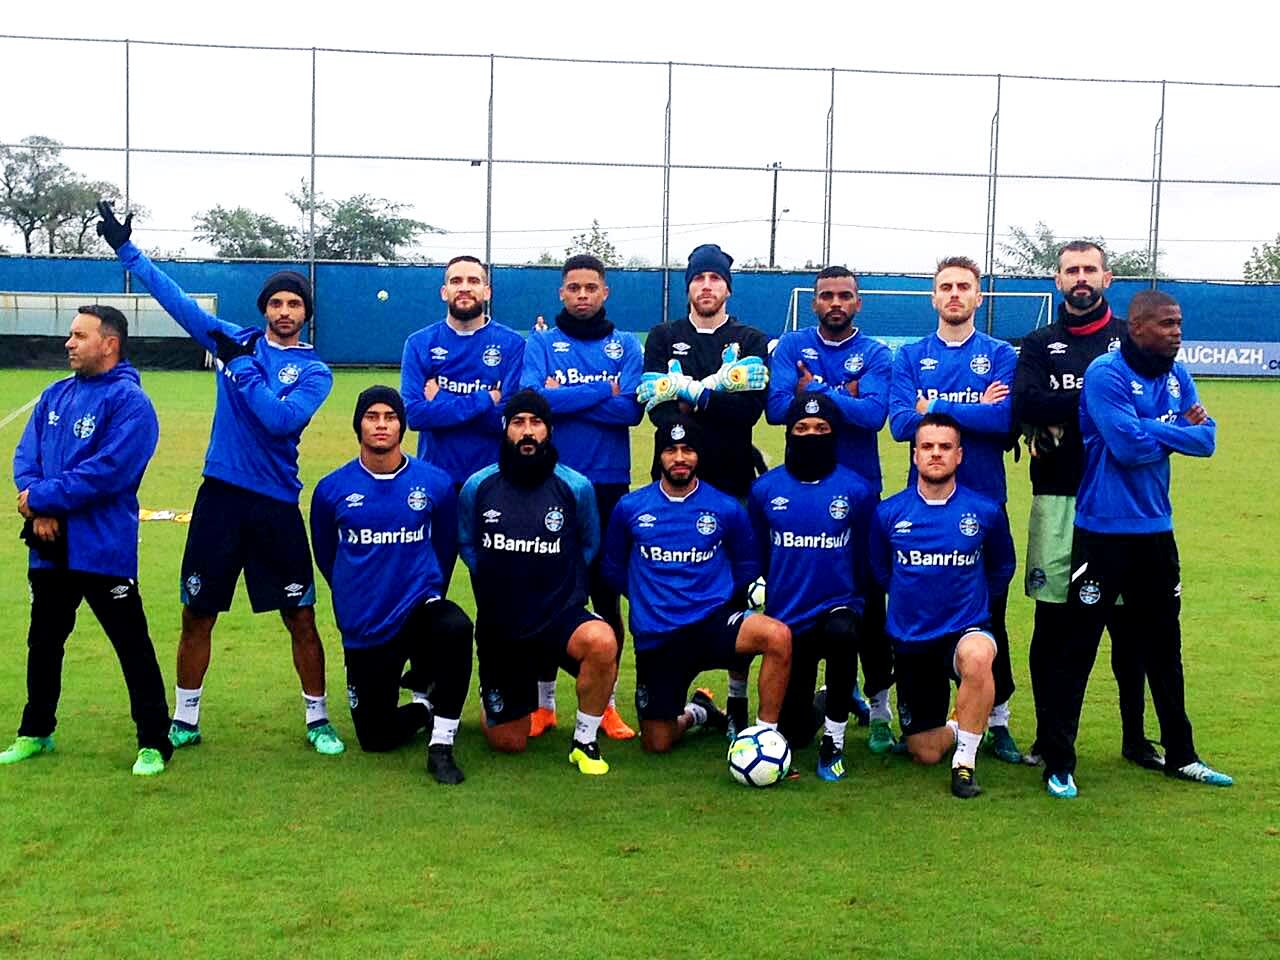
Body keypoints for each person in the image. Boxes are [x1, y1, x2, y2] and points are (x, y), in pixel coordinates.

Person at [96, 201, 344, 755]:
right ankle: (185, 718)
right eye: (276, 303)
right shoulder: (233, 337)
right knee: (197, 611)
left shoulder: (313, 370)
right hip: (220, 498)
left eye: (294, 304)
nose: (285, 311)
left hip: (276, 503)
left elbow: (279, 420)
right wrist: (127, 251)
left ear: (306, 314)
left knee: (300, 614)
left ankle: (317, 719)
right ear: (264, 309)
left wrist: (241, 366)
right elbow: (176, 300)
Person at [1039, 291, 1232, 798]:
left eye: (1179, 323)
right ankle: (1059, 762)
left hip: (1156, 534)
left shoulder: (1177, 374)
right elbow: (1124, 449)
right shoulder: (1106, 374)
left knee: (1164, 648)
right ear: (1139, 327)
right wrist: (1171, 429)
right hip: (1102, 532)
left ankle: (1182, 756)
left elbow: (1208, 439)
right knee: (1077, 648)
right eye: (1168, 324)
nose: (1177, 332)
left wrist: (1151, 428)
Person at [4, 305, 171, 776]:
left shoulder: (130, 404)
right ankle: (36, 731)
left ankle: (154, 741)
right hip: (49, 543)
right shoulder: (54, 394)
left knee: (131, 644)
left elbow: (109, 473)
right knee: (44, 641)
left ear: (109, 343)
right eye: (69, 335)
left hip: (103, 546)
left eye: (79, 335)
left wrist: (44, 499)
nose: (69, 343)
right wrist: (38, 505)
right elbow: (26, 455)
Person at [1012, 241, 1157, 770]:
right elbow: (1025, 403)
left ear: (1107, 278)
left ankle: (1137, 738)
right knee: (1052, 625)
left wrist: (1067, 410)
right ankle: (1049, 739)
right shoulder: (1038, 343)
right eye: (1070, 269)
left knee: (1129, 627)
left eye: (1089, 269)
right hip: (1056, 497)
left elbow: (1150, 408)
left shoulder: (1132, 341)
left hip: (1121, 504)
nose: (1080, 278)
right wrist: (1103, 402)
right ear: (1056, 280)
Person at [888, 256, 1021, 764]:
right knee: (917, 606)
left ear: (978, 297)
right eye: (945, 287)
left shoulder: (999, 353)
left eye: (964, 286)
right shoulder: (911, 355)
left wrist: (934, 407)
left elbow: (1004, 418)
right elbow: (901, 422)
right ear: (933, 297)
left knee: (993, 615)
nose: (954, 295)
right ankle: (934, 715)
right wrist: (971, 409)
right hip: (923, 509)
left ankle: (999, 722)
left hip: (985, 503)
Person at [310, 387, 473, 784]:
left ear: (402, 424)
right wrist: (356, 592)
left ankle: (442, 745)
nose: (381, 424)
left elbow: (446, 546)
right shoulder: (332, 490)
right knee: (375, 737)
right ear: (358, 425)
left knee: (455, 626)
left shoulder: (434, 483)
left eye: (390, 416)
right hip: (367, 623)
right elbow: (328, 556)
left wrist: (431, 591)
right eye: (372, 416)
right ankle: (425, 709)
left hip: (418, 610)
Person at [639, 243, 771, 735]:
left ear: (727, 288)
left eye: (716, 279)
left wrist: (689, 392)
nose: (707, 287)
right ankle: (684, 691)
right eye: (699, 279)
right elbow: (655, 408)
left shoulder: (750, 337)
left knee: (739, 589)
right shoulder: (663, 336)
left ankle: (736, 701)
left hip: (734, 484)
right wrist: (715, 390)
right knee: (673, 577)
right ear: (689, 286)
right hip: (672, 485)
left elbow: (748, 410)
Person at [602, 416, 792, 755]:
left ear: (698, 456)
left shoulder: (725, 508)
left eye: (687, 450)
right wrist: (648, 597)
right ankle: (698, 712)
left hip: (712, 623)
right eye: (671, 450)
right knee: (657, 743)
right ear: (659, 456)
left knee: (777, 635)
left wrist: (717, 596)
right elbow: (613, 569)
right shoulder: (630, 508)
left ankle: (766, 737)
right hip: (658, 636)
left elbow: (747, 564)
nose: (679, 458)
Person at [767, 265, 896, 752]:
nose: (835, 303)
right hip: (801, 495)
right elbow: (778, 409)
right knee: (801, 597)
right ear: (814, 302)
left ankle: (879, 707)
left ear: (858, 302)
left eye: (845, 295)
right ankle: (821, 694)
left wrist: (814, 392)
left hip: (860, 494)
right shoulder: (792, 344)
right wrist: (843, 393)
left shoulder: (876, 353)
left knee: (869, 601)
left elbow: (875, 414)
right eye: (827, 296)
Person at [457, 390, 619, 775]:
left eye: (535, 423)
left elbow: (588, 543)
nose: (527, 432)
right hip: (502, 626)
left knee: (602, 640)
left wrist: (556, 582)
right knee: (509, 743)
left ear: (549, 430)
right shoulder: (478, 486)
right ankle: (497, 694)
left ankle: (584, 740)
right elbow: (467, 543)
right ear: (505, 429)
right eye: (518, 423)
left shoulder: (575, 486)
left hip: (558, 617)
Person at [518, 254, 644, 741]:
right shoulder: (542, 342)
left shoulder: (625, 345)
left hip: (609, 484)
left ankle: (606, 706)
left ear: (605, 292)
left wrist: (566, 397)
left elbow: (630, 411)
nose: (583, 295)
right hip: (550, 483)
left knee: (605, 593)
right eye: (574, 288)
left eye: (592, 287)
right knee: (544, 593)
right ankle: (544, 704)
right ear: (561, 294)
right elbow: (535, 402)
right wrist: (600, 391)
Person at [869, 414, 1016, 799]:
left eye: (945, 447)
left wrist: (976, 603)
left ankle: (964, 763)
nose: (936, 454)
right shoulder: (888, 513)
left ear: (960, 455)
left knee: (980, 654)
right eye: (928, 447)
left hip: (963, 630)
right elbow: (881, 571)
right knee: (926, 752)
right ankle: (962, 723)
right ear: (915, 455)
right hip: (912, 638)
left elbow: (1002, 566)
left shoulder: (984, 511)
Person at [748, 393, 876, 780]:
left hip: (837, 608)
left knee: (841, 633)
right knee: (795, 732)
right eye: (802, 429)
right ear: (788, 434)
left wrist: (857, 607)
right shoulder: (766, 490)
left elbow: (864, 560)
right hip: (788, 621)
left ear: (834, 435)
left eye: (821, 429)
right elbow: (759, 556)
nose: (811, 435)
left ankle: (834, 741)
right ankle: (833, 698)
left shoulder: (856, 490)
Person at [400, 255, 526, 585]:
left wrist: (441, 401)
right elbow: (414, 415)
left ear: (487, 291)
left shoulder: (513, 345)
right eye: (456, 281)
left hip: (492, 482)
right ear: (444, 292)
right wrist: (486, 398)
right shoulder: (419, 343)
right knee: (428, 588)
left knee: (495, 591)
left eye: (473, 281)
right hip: (435, 482)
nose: (464, 288)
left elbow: (507, 424)